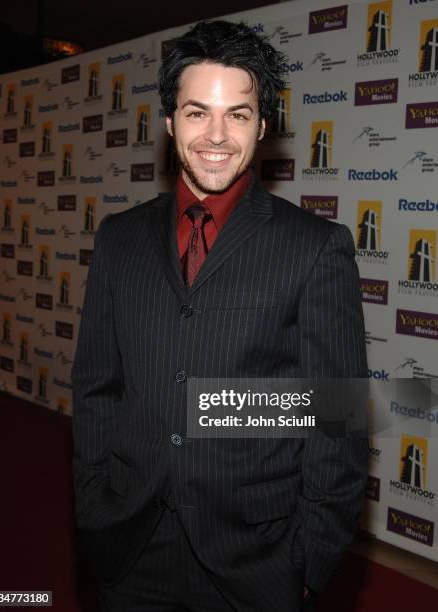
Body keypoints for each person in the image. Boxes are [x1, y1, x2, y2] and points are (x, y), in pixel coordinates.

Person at [71, 20, 368, 612]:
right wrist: (93, 505)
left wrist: (309, 559)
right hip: (130, 547)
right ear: (169, 122)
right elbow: (98, 389)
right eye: (196, 111)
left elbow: (337, 416)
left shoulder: (315, 247)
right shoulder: (118, 240)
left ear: (261, 127)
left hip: (256, 560)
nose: (216, 135)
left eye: (237, 114)